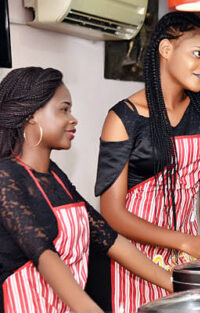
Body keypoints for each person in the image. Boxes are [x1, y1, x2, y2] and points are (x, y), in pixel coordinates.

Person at [87, 12, 200, 313]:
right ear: (166, 50)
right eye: (198, 54)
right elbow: (112, 214)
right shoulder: (123, 117)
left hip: (188, 252)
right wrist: (188, 242)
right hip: (132, 259)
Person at [0, 67, 173, 313]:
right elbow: (44, 255)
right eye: (64, 109)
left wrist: (174, 283)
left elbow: (108, 238)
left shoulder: (54, 175)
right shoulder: (5, 176)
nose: (73, 119)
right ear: (32, 115)